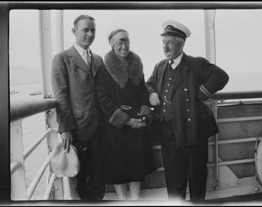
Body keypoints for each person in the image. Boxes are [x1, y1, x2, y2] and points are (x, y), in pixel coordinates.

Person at [145, 20, 229, 202]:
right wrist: (151, 93)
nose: (165, 46)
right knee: (174, 179)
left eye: (170, 42)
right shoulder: (160, 67)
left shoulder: (196, 64)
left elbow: (221, 76)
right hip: (168, 133)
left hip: (192, 131)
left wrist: (200, 93)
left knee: (196, 177)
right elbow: (149, 84)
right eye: (163, 42)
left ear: (181, 44)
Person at [51, 14, 106, 200]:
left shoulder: (98, 60)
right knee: (78, 181)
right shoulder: (62, 59)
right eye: (85, 30)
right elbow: (61, 96)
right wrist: (65, 128)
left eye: (93, 30)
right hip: (77, 131)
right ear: (74, 31)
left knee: (98, 179)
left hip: (99, 130)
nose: (90, 34)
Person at [97, 28, 155, 200]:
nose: (124, 46)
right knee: (118, 168)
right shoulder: (103, 69)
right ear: (113, 46)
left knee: (136, 165)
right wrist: (125, 120)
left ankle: (135, 200)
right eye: (119, 42)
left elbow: (144, 92)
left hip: (137, 124)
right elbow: (103, 99)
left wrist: (144, 114)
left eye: (126, 41)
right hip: (117, 127)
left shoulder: (137, 64)